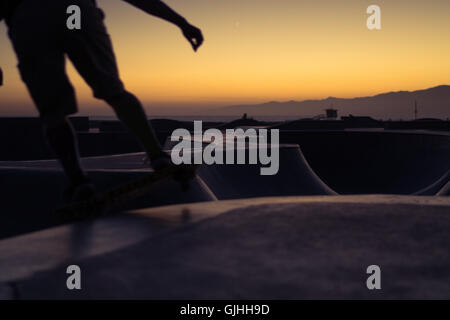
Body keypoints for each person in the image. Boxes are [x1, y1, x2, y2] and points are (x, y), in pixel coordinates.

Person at [1, 0, 204, 202]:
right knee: (114, 92)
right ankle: (157, 156)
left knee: (53, 112)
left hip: (30, 19)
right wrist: (181, 23)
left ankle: (79, 182)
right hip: (75, 12)